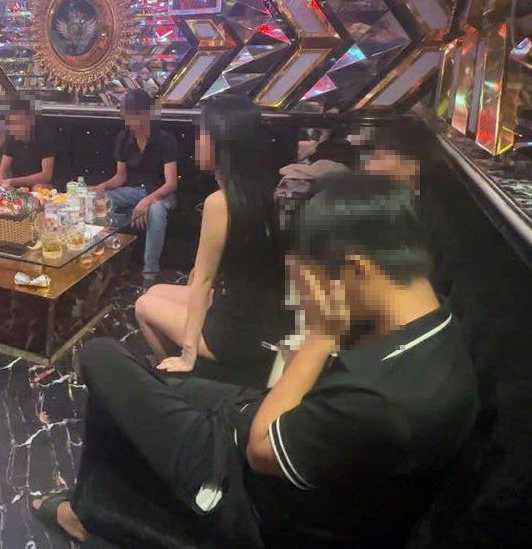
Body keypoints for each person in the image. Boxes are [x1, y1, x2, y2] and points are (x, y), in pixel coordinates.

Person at [31, 172, 479, 548]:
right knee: (152, 386)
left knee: (101, 356)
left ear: (356, 270)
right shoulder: (433, 323)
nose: (304, 297)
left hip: (246, 492)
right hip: (263, 421)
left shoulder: (384, 399)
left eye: (307, 283)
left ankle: (90, 516)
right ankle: (98, 509)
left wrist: (323, 332)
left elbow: (261, 451)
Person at [134, 95, 286, 386]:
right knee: (155, 291)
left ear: (221, 143)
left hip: (235, 334)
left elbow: (203, 282)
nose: (197, 141)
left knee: (143, 305)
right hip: (257, 315)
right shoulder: (263, 190)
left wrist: (188, 353)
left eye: (202, 133)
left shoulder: (220, 202)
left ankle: (179, 380)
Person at [95, 89, 179, 282]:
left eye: (133, 115)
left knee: (156, 210)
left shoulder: (165, 139)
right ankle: (106, 264)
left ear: (146, 113)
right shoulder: (124, 137)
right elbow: (120, 177)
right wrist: (101, 187)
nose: (128, 120)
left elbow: (171, 184)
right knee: (99, 200)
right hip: (132, 191)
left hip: (160, 193)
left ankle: (149, 273)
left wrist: (146, 202)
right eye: (126, 115)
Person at [0, 96, 55, 189]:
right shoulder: (11, 138)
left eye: (17, 122)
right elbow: (2, 170)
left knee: (38, 187)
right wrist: (2, 183)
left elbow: (46, 176)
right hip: (18, 185)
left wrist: (14, 181)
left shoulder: (45, 137)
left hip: (43, 184)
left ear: (30, 120)